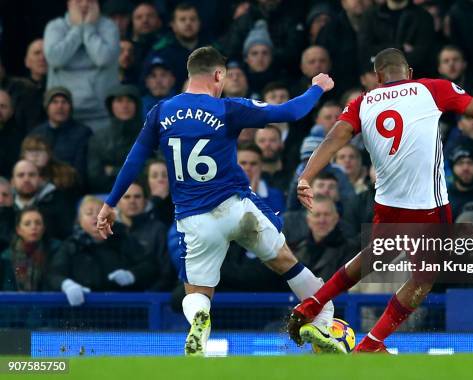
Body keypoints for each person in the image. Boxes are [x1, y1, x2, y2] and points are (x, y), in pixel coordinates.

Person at [286, 48, 473, 353]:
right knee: (425, 277)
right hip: (428, 204)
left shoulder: (362, 102)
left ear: (378, 77)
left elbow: (335, 136)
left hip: (387, 203)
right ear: (409, 72)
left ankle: (313, 302)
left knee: (376, 256)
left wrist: (305, 176)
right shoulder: (431, 88)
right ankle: (372, 344)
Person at [95, 46, 343, 355]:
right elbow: (291, 112)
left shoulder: (160, 112)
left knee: (197, 292)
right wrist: (318, 87)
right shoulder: (228, 108)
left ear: (189, 74)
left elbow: (134, 160)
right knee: (286, 263)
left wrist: (111, 203)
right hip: (236, 206)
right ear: (217, 75)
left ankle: (200, 318)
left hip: (196, 219)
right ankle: (322, 322)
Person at [48, 196, 157, 306]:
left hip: (123, 310)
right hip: (83, 312)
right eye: (89, 213)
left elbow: (150, 266)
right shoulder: (70, 246)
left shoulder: (124, 239)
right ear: (80, 221)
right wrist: (67, 285)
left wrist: (132, 275)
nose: (96, 216)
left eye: (101, 212)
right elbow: (54, 274)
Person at [43, 0, 120, 132]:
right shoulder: (55, 27)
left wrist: (88, 28)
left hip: (101, 115)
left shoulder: (109, 26)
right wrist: (78, 29)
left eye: (90, 1)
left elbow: (104, 58)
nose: (84, 4)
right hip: (63, 113)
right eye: (78, 1)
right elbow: (55, 58)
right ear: (69, 4)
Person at [28, 87, 92, 180]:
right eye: (54, 102)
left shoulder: (83, 133)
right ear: (47, 107)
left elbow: (81, 171)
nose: (60, 106)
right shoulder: (36, 134)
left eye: (64, 102)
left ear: (70, 107)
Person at [1, 206, 60, 291]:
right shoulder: (7, 257)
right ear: (18, 230)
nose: (33, 227)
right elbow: (7, 287)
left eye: (38, 223)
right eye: (27, 224)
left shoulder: (55, 251)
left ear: (43, 228)